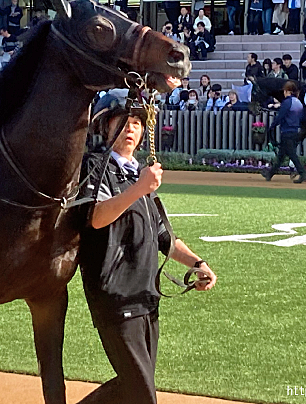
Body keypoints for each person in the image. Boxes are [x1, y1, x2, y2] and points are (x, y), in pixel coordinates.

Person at [76, 94, 216, 404]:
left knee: (133, 386)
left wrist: (198, 263)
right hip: (115, 296)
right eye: (123, 121)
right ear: (106, 126)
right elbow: (96, 217)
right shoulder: (95, 166)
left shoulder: (138, 173)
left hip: (146, 297)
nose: (131, 128)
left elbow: (165, 237)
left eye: (137, 123)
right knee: (142, 393)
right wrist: (140, 188)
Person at [263, 81, 306, 183]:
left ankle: (303, 174)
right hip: (295, 130)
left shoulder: (287, 102)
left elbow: (280, 116)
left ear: (287, 91)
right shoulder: (298, 102)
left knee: (292, 154)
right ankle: (270, 174)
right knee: (281, 155)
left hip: (287, 131)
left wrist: (272, 126)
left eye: (284, 91)